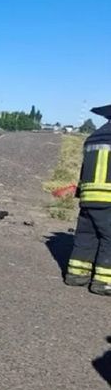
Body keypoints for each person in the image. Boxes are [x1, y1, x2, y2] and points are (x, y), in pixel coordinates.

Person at [64, 104, 111, 296]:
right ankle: (104, 282)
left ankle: (76, 275)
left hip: (88, 195)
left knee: (86, 235)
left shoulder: (93, 137)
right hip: (109, 196)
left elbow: (84, 168)